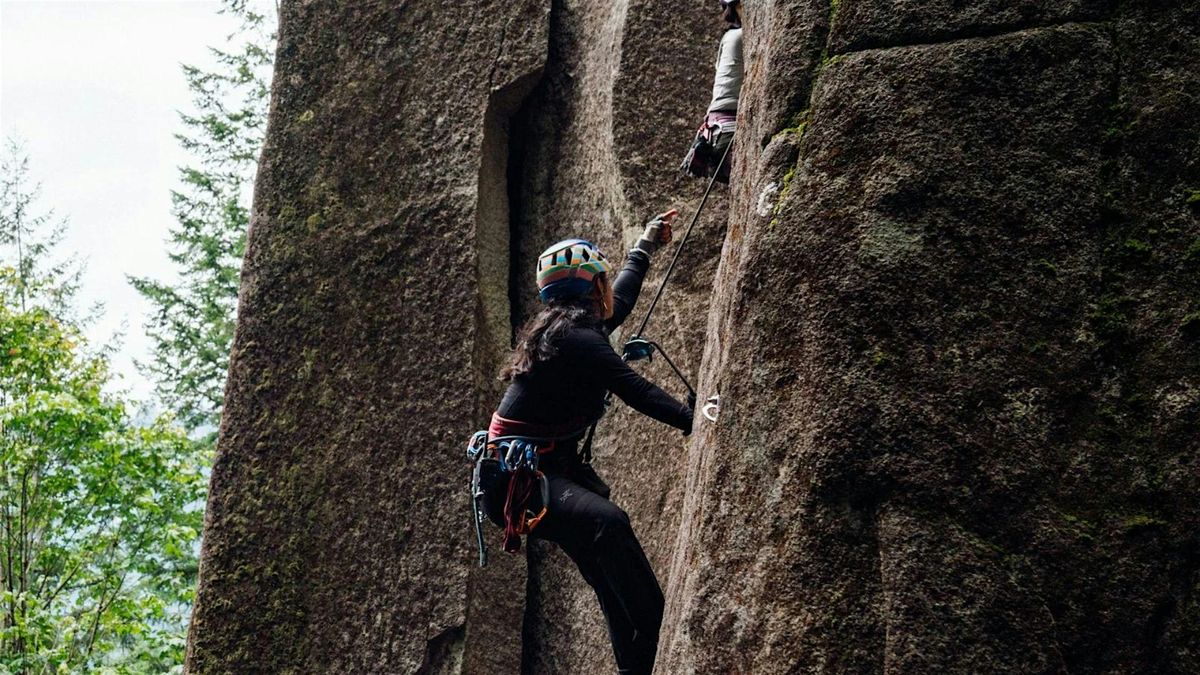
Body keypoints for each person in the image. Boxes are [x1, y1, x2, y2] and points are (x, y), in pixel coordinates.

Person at [486, 212, 693, 675]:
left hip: (538, 472)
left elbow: (623, 298)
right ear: (590, 286)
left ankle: (639, 665)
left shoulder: (569, 327)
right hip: (521, 479)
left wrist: (645, 246)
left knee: (604, 570)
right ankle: (664, 634)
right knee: (608, 523)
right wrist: (692, 419)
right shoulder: (576, 338)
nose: (607, 287)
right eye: (601, 278)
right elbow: (634, 389)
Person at [682, 0, 743, 183]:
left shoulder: (728, 36)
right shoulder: (741, 36)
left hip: (715, 127)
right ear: (736, 8)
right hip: (728, 125)